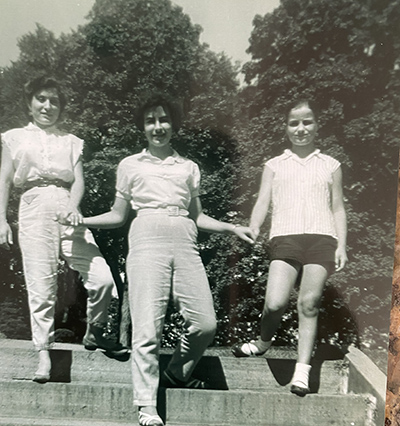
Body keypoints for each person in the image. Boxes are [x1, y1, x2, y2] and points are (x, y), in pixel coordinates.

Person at [60, 93, 254, 426]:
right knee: (147, 327)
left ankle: (177, 373)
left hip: (184, 237)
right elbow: (119, 215)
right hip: (146, 236)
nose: (158, 126)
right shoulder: (130, 165)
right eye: (151, 121)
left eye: (163, 119)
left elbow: (198, 216)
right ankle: (147, 405)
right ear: (143, 127)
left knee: (205, 323)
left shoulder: (188, 167)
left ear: (173, 125)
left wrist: (231, 226)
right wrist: (83, 220)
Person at [0, 75, 127, 384]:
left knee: (103, 278)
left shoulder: (71, 141)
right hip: (32, 204)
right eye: (41, 99)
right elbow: (4, 178)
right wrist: (1, 219)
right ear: (30, 104)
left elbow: (79, 180)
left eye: (54, 101)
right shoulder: (14, 137)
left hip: (67, 206)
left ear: (61, 107)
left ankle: (95, 330)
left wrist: (73, 204)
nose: (47, 106)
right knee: (41, 284)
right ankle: (43, 351)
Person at [232, 99, 348, 397]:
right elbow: (262, 201)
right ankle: (263, 342)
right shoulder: (274, 165)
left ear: (317, 125)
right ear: (286, 128)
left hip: (322, 238)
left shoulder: (330, 165)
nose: (301, 128)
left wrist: (342, 245)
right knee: (275, 303)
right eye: (294, 123)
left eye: (307, 121)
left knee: (308, 304)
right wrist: (255, 226)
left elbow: (337, 209)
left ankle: (302, 372)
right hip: (285, 237)